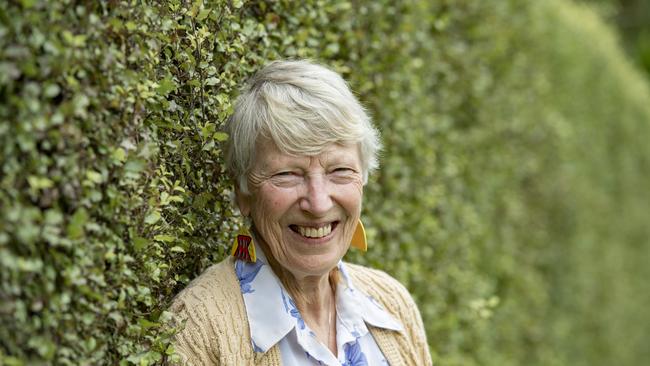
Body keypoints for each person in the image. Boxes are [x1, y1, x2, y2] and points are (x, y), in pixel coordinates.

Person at [170, 60, 432, 365]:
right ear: (243, 193)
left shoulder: (392, 305)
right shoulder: (198, 330)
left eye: (340, 170)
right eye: (287, 175)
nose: (318, 204)